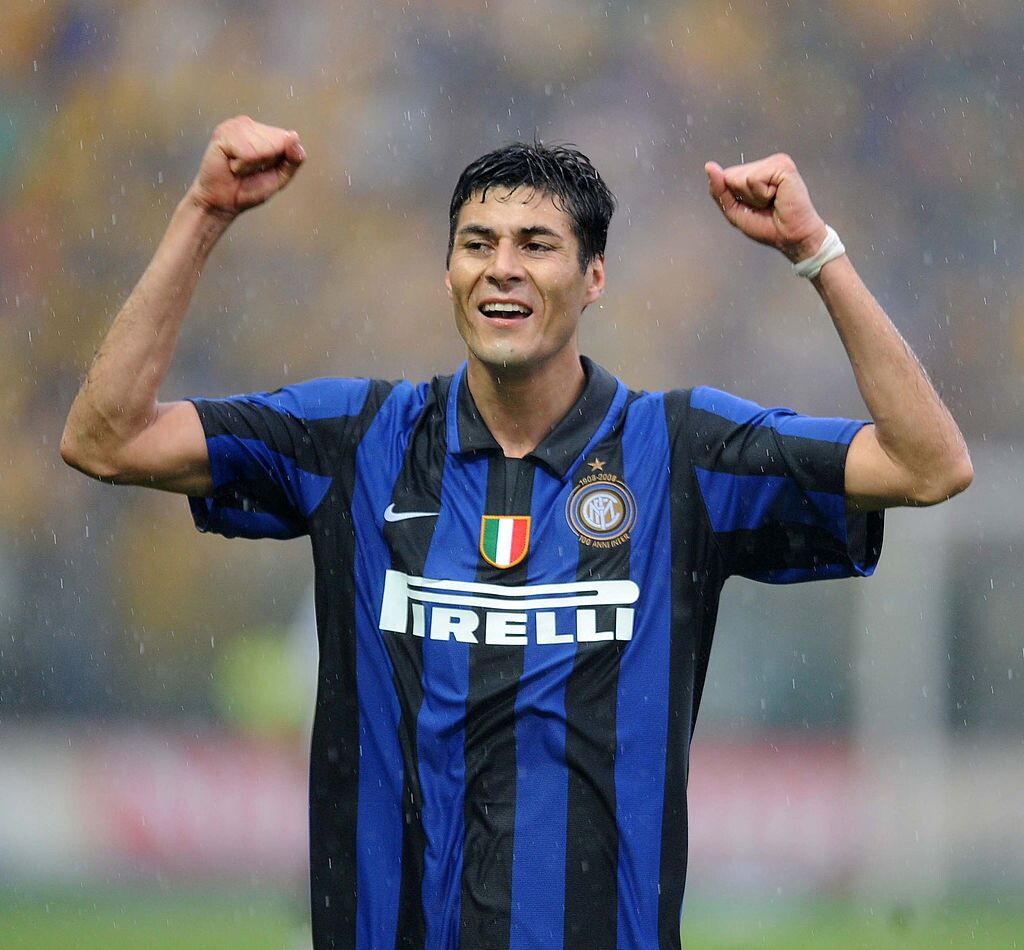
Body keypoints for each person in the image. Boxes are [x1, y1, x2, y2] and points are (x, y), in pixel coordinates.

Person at [61, 116, 972, 950]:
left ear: (594, 277)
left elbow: (928, 465)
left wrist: (817, 251)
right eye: (476, 244)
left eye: (537, 245)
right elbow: (106, 438)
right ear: (448, 272)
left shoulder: (680, 453)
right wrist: (204, 212)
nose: (502, 266)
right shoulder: (357, 441)